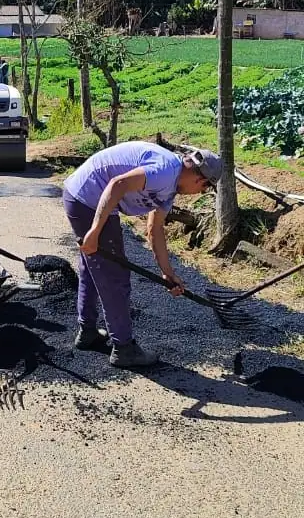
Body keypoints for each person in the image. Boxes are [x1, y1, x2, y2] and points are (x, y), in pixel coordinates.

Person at [63, 142, 222, 368]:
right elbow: (117, 184)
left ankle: (87, 331)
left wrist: (168, 273)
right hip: (87, 199)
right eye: (205, 189)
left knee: (94, 268)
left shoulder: (170, 188)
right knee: (114, 276)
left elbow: (154, 229)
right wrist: (95, 231)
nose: (200, 193)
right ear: (201, 180)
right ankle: (124, 349)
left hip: (85, 196)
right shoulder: (165, 171)